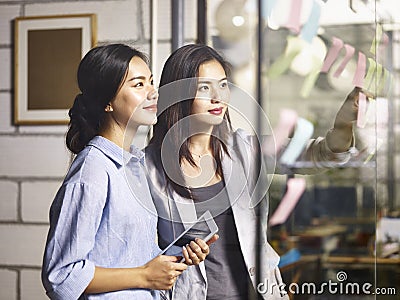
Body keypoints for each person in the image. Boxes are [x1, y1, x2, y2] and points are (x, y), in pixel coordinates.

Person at [144, 44, 362, 299]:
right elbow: (139, 252)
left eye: (223, 85)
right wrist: (176, 254)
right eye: (204, 87)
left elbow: (322, 155)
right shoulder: (149, 168)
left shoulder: (246, 149)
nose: (218, 97)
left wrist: (344, 122)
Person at [41, 43, 212, 300]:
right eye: (139, 84)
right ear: (107, 102)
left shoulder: (136, 166)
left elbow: (128, 253)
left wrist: (177, 255)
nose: (153, 93)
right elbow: (61, 276)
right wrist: (144, 275)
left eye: (151, 82)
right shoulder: (93, 171)